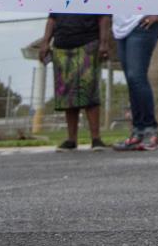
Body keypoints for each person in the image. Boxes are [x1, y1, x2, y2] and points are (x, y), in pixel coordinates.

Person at [39, 13, 111, 150]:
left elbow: (104, 16)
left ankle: (96, 139)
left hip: (88, 43)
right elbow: (52, 18)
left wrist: (104, 43)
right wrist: (45, 42)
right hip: (61, 45)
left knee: (89, 91)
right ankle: (71, 139)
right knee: (67, 95)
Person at [111, 13, 158, 151]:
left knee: (136, 77)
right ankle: (138, 131)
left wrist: (157, 13)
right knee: (132, 80)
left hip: (141, 23)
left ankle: (150, 130)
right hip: (120, 28)